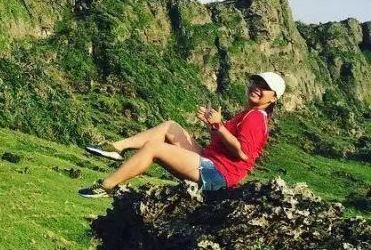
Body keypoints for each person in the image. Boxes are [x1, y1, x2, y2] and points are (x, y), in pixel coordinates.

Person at [77, 72, 285, 198]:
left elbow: (243, 154)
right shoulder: (247, 113)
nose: (257, 88)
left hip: (219, 174)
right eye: (255, 83)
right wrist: (213, 126)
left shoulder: (256, 117)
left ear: (273, 98)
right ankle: (116, 148)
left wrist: (219, 126)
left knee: (154, 148)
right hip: (212, 161)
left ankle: (107, 186)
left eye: (264, 88)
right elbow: (223, 145)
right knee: (170, 126)